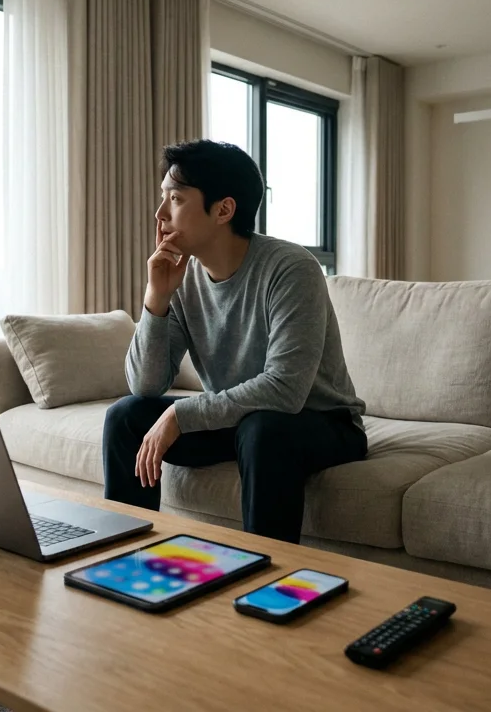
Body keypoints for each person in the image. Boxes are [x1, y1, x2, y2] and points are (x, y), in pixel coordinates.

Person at [101, 139, 367, 543]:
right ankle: (122, 556)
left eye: (175, 199)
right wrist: (156, 300)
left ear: (223, 209)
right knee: (126, 416)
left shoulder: (291, 269)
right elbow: (146, 385)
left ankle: (267, 575)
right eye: (163, 199)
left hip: (321, 423)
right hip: (242, 420)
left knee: (264, 430)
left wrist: (179, 416)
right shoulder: (184, 278)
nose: (159, 215)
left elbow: (285, 391)